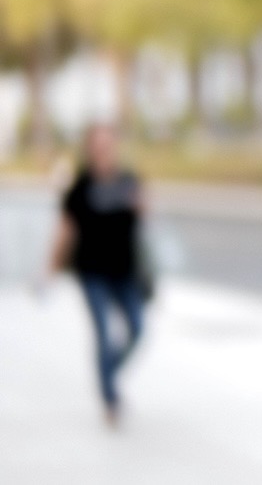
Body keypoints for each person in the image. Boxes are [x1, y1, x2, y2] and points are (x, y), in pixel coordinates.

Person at [46, 123, 147, 427]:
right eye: (97, 143)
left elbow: (142, 220)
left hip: (126, 272)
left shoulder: (129, 180)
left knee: (137, 329)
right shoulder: (80, 186)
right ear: (89, 148)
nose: (103, 148)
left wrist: (141, 206)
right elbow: (65, 230)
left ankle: (107, 374)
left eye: (108, 142)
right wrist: (50, 269)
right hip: (92, 273)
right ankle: (110, 399)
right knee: (103, 335)